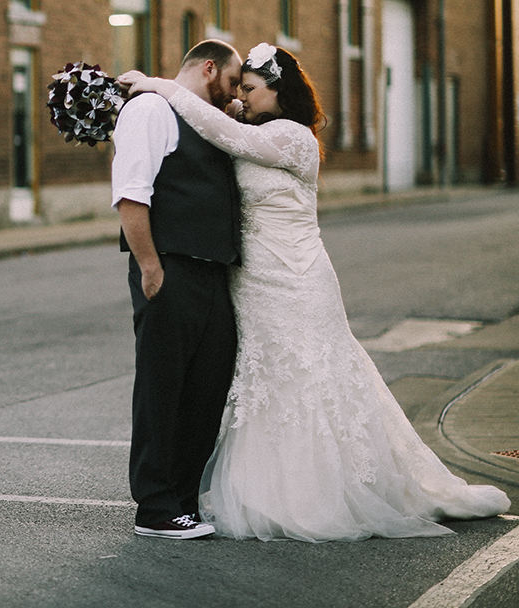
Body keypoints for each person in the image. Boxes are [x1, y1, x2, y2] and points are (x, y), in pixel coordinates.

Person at [118, 44, 511, 542]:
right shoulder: (254, 130)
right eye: (238, 88)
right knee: (269, 387)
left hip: (297, 277)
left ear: (279, 92)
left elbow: (227, 132)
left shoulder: (294, 138)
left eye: (250, 89)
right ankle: (261, 492)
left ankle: (322, 494)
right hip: (251, 282)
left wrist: (163, 85)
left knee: (311, 379)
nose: (240, 97)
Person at [111, 39, 245, 539]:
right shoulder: (150, 109)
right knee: (162, 387)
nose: (234, 96)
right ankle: (155, 506)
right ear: (209, 69)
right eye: (232, 83)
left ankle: (184, 499)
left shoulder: (204, 118)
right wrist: (149, 266)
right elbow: (131, 193)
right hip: (168, 269)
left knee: (207, 387)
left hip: (212, 273)